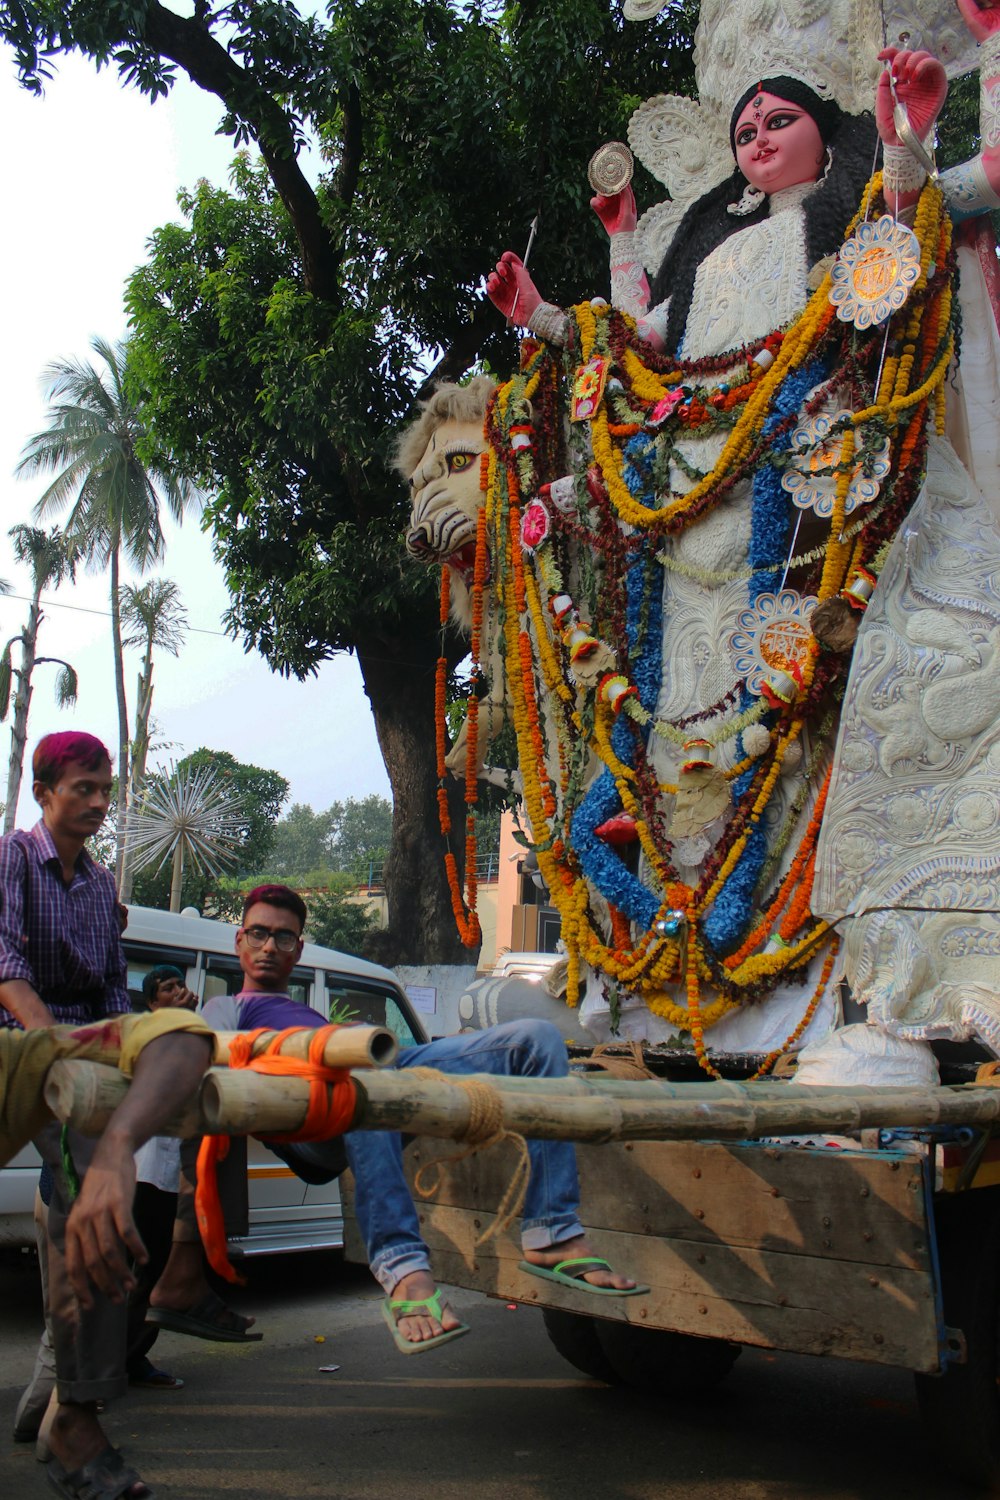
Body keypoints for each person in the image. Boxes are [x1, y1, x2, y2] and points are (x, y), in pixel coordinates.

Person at [472, 1, 1000, 1081]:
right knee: (676, 753)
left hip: (822, 521)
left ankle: (870, 999)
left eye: (778, 121)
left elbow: (943, 204)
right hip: (690, 532)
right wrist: (560, 298)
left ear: (827, 129)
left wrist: (923, 114)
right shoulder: (705, 252)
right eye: (743, 128)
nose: (756, 140)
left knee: (827, 731)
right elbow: (638, 346)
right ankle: (665, 993)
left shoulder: (855, 222)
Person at [201, 884, 645, 1353]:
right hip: (316, 1108)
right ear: (239, 941)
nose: (269, 946)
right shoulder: (224, 1009)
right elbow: (212, 1061)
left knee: (537, 1040)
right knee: (362, 1064)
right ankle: (403, 1268)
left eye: (283, 938)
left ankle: (552, 1231)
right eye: (258, 934)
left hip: (371, 1068)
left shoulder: (303, 1010)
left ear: (298, 951)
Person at [0, 727, 213, 1498]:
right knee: (86, 1177)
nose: (96, 802)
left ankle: (72, 1406)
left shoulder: (97, 886)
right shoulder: (11, 859)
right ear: (44, 792)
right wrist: (61, 1049)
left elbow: (107, 994)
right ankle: (69, 1411)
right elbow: (7, 967)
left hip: (79, 1041)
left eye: (104, 789)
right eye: (81, 788)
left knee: (182, 1042)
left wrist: (121, 1046)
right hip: (17, 1042)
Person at [124, 967, 200, 1392]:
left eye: (178, 985)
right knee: (140, 1267)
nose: (177, 992)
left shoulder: (190, 1029)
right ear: (153, 1002)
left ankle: (133, 1354)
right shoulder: (150, 1033)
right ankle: (119, 1358)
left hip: (171, 1170)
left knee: (156, 1268)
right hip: (144, 1171)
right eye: (167, 989)